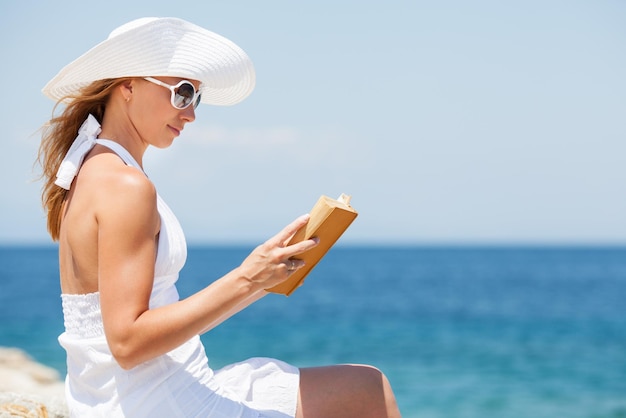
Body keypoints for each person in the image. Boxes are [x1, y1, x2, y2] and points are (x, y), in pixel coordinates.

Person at [38, 17, 401, 418]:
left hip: (131, 396)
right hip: (156, 404)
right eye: (182, 93)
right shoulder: (126, 186)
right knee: (369, 390)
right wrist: (247, 277)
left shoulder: (90, 170)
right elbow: (128, 343)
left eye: (197, 97)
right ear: (128, 86)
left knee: (364, 385)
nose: (191, 113)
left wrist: (264, 280)